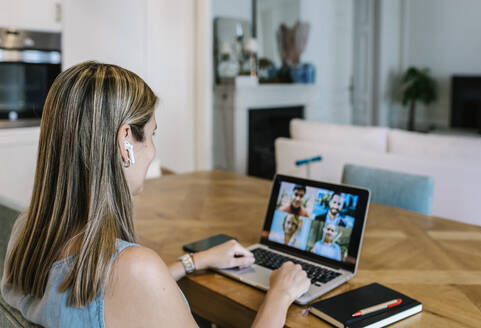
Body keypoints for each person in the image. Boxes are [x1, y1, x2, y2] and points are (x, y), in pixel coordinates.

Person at [0, 62, 310, 328]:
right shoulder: (132, 268)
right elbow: (132, 282)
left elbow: (122, 293)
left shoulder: (27, 233)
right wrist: (280, 295)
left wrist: (193, 262)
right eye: (151, 134)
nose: (153, 150)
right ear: (125, 141)